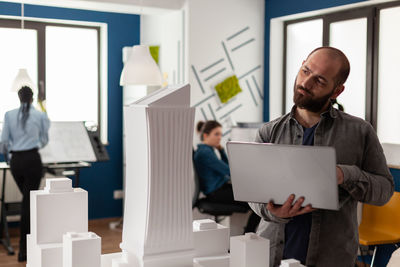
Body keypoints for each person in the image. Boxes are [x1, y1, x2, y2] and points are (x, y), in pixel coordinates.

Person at [249, 47, 394, 267]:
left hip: (332, 257)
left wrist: (344, 174)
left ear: (337, 91)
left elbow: (384, 191)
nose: (305, 83)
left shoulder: (360, 131)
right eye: (305, 71)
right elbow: (254, 191)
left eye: (319, 81)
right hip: (272, 254)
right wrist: (270, 210)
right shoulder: (269, 132)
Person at [1, 86, 50, 262]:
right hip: (32, 160)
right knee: (28, 204)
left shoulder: (9, 115)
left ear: (19, 97)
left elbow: (4, 142)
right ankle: (25, 249)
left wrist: (9, 159)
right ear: (32, 98)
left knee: (27, 202)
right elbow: (44, 140)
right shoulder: (40, 116)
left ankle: (27, 247)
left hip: (16, 163)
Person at [194, 120, 260, 233]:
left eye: (220, 134)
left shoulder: (207, 150)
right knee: (257, 204)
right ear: (205, 135)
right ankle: (248, 235)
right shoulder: (205, 153)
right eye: (216, 134)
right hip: (216, 192)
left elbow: (227, 168)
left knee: (256, 200)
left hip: (219, 189)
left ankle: (248, 234)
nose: (219, 137)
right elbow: (228, 171)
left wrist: (222, 150)